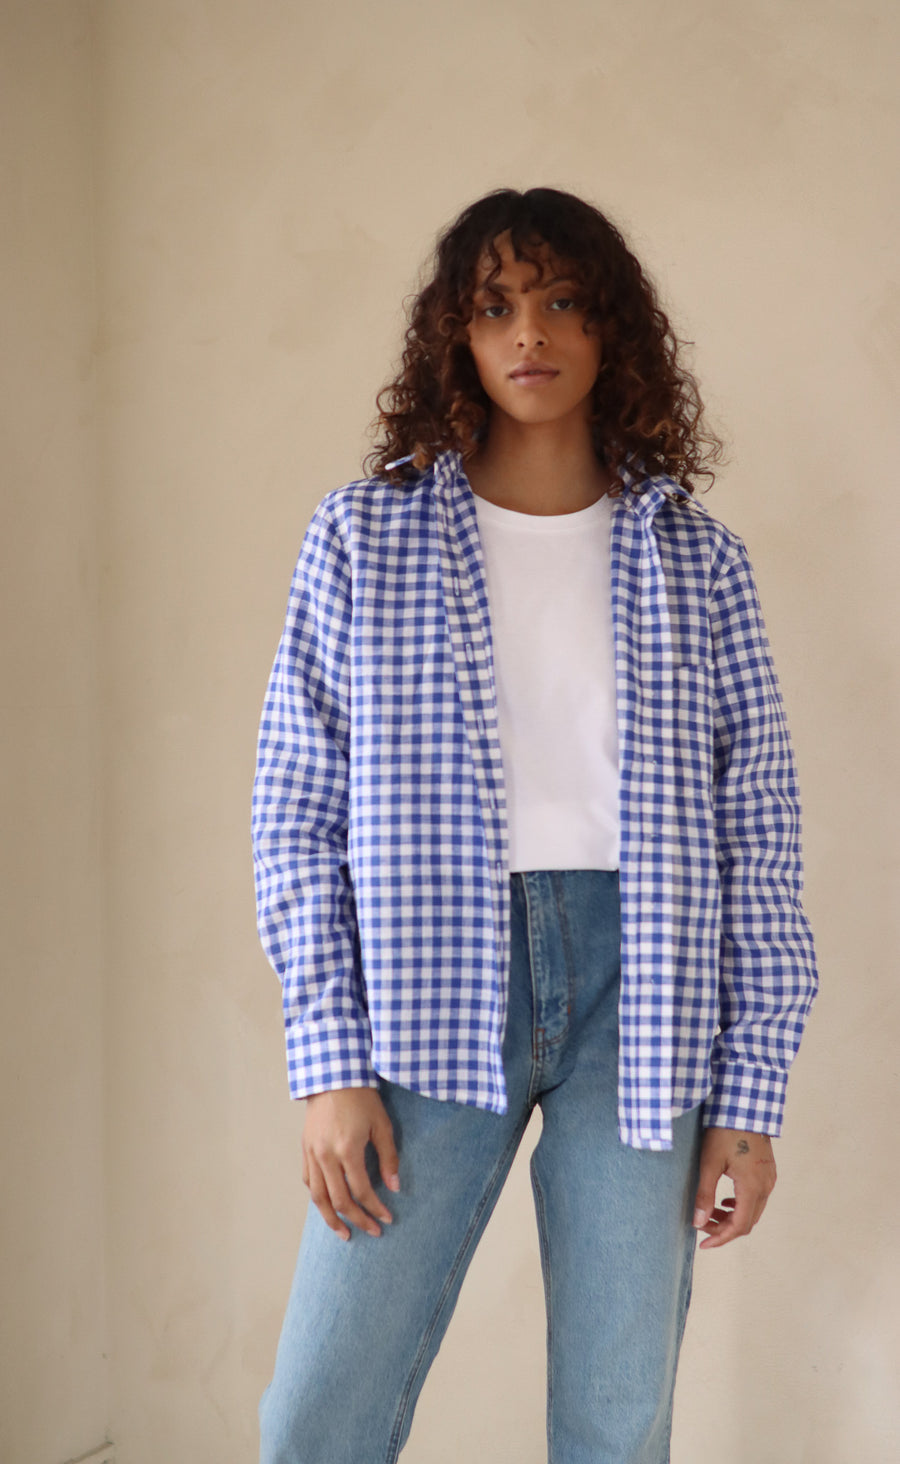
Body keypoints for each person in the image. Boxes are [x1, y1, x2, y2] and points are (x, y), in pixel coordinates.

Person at [251, 187, 818, 1464]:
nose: (530, 333)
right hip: (428, 981)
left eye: (563, 301)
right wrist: (329, 1062)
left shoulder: (699, 560)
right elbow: (296, 807)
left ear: (614, 329)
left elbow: (761, 837)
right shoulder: (365, 538)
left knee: (620, 1416)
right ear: (455, 334)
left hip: (647, 991)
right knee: (320, 1411)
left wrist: (750, 1092)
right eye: (497, 305)